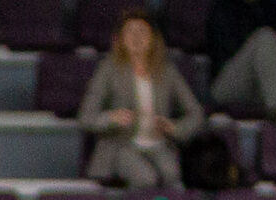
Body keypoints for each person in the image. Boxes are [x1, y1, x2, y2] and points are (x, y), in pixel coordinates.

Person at [79, 12, 203, 188]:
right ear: (120, 38)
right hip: (121, 145)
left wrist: (175, 128)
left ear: (153, 38)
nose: (136, 37)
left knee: (172, 176)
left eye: (142, 32)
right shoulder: (108, 70)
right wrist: (111, 118)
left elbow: (196, 113)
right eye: (130, 31)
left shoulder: (167, 71)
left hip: (159, 144)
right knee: (146, 179)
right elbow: (86, 116)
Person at [206, 0, 276, 121]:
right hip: (228, 85)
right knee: (265, 36)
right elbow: (224, 55)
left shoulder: (268, 9)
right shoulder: (224, 9)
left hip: (265, 90)